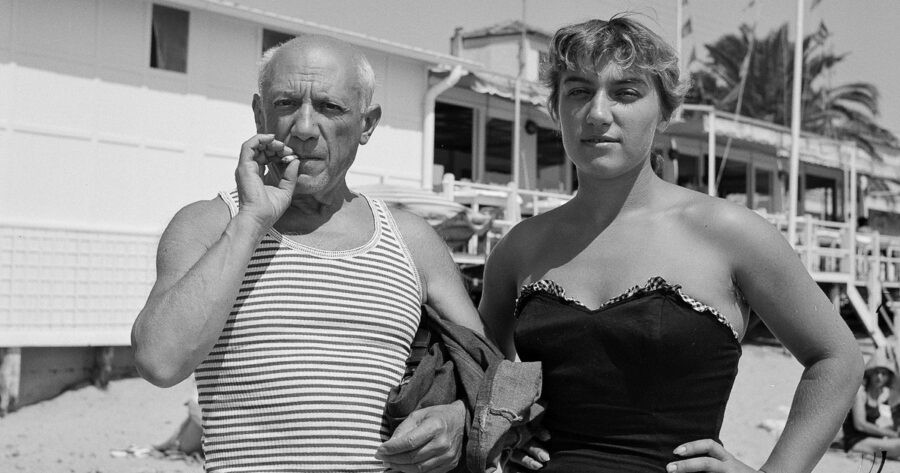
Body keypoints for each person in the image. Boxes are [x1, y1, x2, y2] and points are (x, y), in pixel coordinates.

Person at [478, 15, 863, 473]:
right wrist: (505, 428)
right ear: (555, 107)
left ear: (665, 111)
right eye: (578, 91)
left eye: (625, 93)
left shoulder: (729, 233)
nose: (597, 113)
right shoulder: (519, 248)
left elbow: (837, 358)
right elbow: (475, 369)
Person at [131, 34, 483, 473]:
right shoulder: (210, 225)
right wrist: (252, 220)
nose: (303, 127)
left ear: (367, 125)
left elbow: (487, 371)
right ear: (259, 113)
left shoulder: (410, 239)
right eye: (285, 104)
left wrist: (458, 417)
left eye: (330, 107)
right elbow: (160, 362)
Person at [842, 347, 900, 457]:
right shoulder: (860, 393)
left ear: (888, 377)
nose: (879, 377)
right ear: (870, 373)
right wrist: (890, 433)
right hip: (857, 441)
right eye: (876, 372)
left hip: (874, 439)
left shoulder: (884, 395)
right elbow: (860, 425)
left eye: (884, 374)